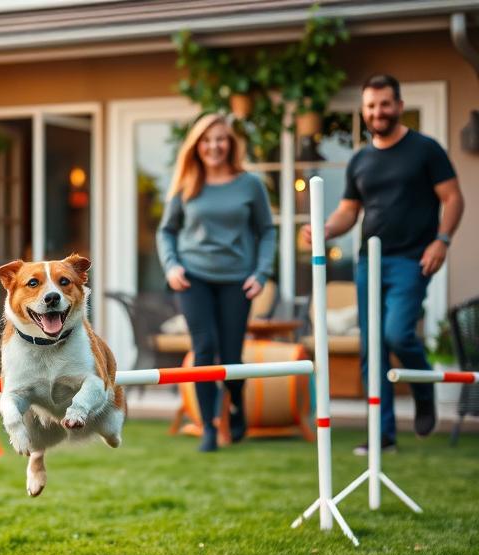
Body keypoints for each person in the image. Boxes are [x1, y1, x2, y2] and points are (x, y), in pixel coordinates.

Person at [303, 74, 464, 453]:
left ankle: (422, 388)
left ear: (399, 105)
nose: (378, 112)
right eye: (371, 106)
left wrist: (442, 241)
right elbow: (349, 211)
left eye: (385, 104)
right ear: (364, 110)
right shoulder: (360, 159)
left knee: (397, 335)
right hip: (367, 262)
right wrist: (326, 228)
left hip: (412, 259)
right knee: (370, 349)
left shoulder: (425, 150)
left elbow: (453, 198)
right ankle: (383, 436)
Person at [159, 113, 276, 452]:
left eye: (221, 139)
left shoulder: (249, 184)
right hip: (193, 277)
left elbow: (267, 231)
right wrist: (171, 266)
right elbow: (166, 231)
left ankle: (236, 403)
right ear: (197, 145)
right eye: (207, 140)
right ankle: (209, 425)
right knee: (205, 347)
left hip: (237, 280)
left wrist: (261, 273)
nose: (214, 146)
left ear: (231, 143)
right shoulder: (187, 183)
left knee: (231, 354)